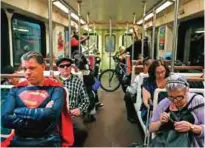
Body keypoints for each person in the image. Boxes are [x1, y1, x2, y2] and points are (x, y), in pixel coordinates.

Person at [1, 51, 74, 147]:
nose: (27, 72)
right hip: (20, 141)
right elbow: (5, 120)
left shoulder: (56, 89)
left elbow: (52, 114)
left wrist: (18, 111)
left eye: (32, 68)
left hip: (47, 141)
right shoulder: (15, 90)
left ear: (43, 67)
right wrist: (42, 117)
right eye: (24, 68)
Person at [150, 74, 204, 147]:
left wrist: (191, 127)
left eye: (179, 97)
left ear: (187, 91)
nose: (175, 101)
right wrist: (160, 122)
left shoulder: (198, 101)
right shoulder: (165, 103)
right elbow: (151, 128)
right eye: (171, 97)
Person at [56, 56, 90, 147]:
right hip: (56, 114)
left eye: (68, 65)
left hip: (72, 113)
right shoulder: (54, 82)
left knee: (82, 130)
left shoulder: (77, 81)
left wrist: (80, 109)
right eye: (62, 66)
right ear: (58, 68)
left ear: (71, 67)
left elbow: (86, 100)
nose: (65, 68)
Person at [124, 57, 152, 123]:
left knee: (127, 95)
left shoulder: (140, 77)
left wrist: (127, 89)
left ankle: (131, 116)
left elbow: (132, 90)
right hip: (147, 97)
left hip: (144, 98)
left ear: (145, 66)